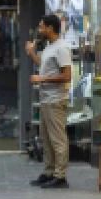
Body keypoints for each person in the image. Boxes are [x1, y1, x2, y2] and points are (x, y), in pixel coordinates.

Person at [26, 14, 73, 189]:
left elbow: (67, 75)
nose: (39, 30)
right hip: (46, 98)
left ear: (50, 28)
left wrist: (42, 79)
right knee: (46, 138)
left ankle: (60, 175)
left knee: (57, 138)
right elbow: (44, 68)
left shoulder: (62, 48)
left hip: (55, 99)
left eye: (41, 27)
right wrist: (32, 54)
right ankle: (49, 171)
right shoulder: (49, 47)